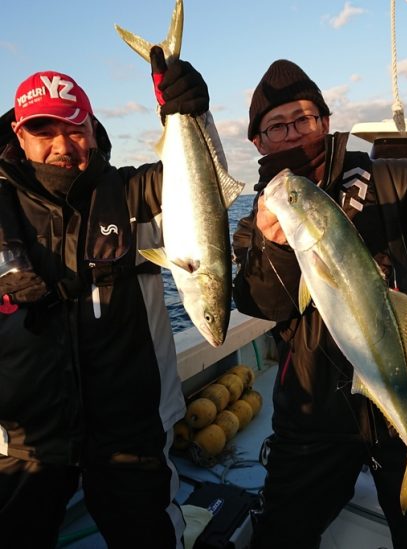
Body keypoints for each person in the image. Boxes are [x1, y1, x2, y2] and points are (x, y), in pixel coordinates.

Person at [232, 59, 407, 549]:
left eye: (305, 118)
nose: (294, 134)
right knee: (279, 538)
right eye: (278, 125)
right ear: (258, 141)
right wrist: (277, 248)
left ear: (326, 122)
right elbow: (257, 301)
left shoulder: (394, 180)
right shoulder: (254, 227)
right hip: (313, 418)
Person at [0, 47, 209, 548]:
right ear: (18, 133)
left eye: (74, 128)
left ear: (93, 129)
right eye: (43, 130)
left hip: (129, 431)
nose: (61, 145)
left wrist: (193, 118)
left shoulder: (135, 193)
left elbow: (205, 193)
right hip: (26, 439)